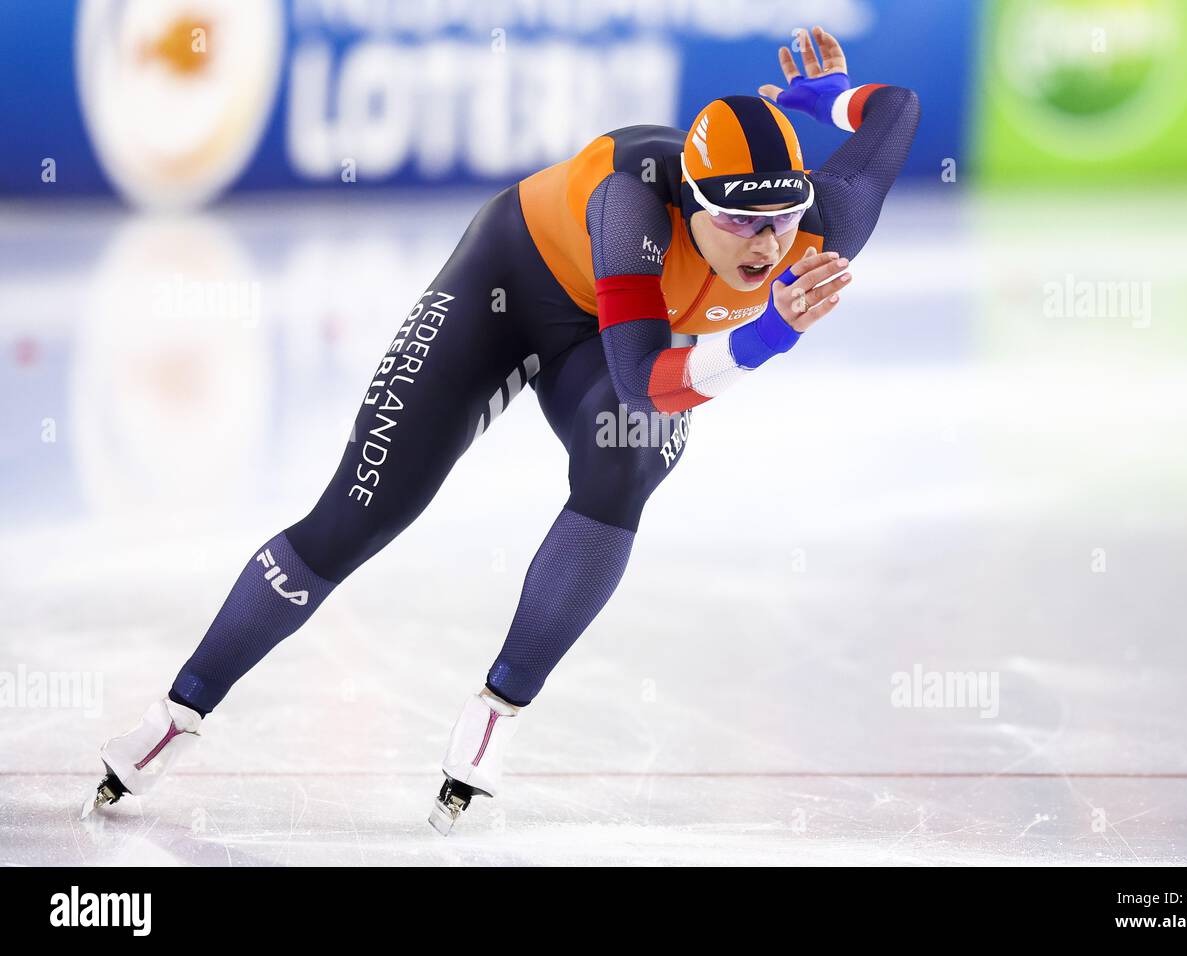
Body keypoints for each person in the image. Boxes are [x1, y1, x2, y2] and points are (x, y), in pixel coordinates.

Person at [84, 25, 920, 833]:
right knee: (361, 513)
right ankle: (177, 712)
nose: (765, 244)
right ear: (691, 200)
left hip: (616, 332)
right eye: (736, 220)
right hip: (514, 279)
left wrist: (836, 98)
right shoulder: (634, 206)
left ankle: (499, 710)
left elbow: (899, 111)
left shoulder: (825, 222)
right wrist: (769, 333)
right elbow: (644, 379)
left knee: (625, 468)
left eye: (779, 217)